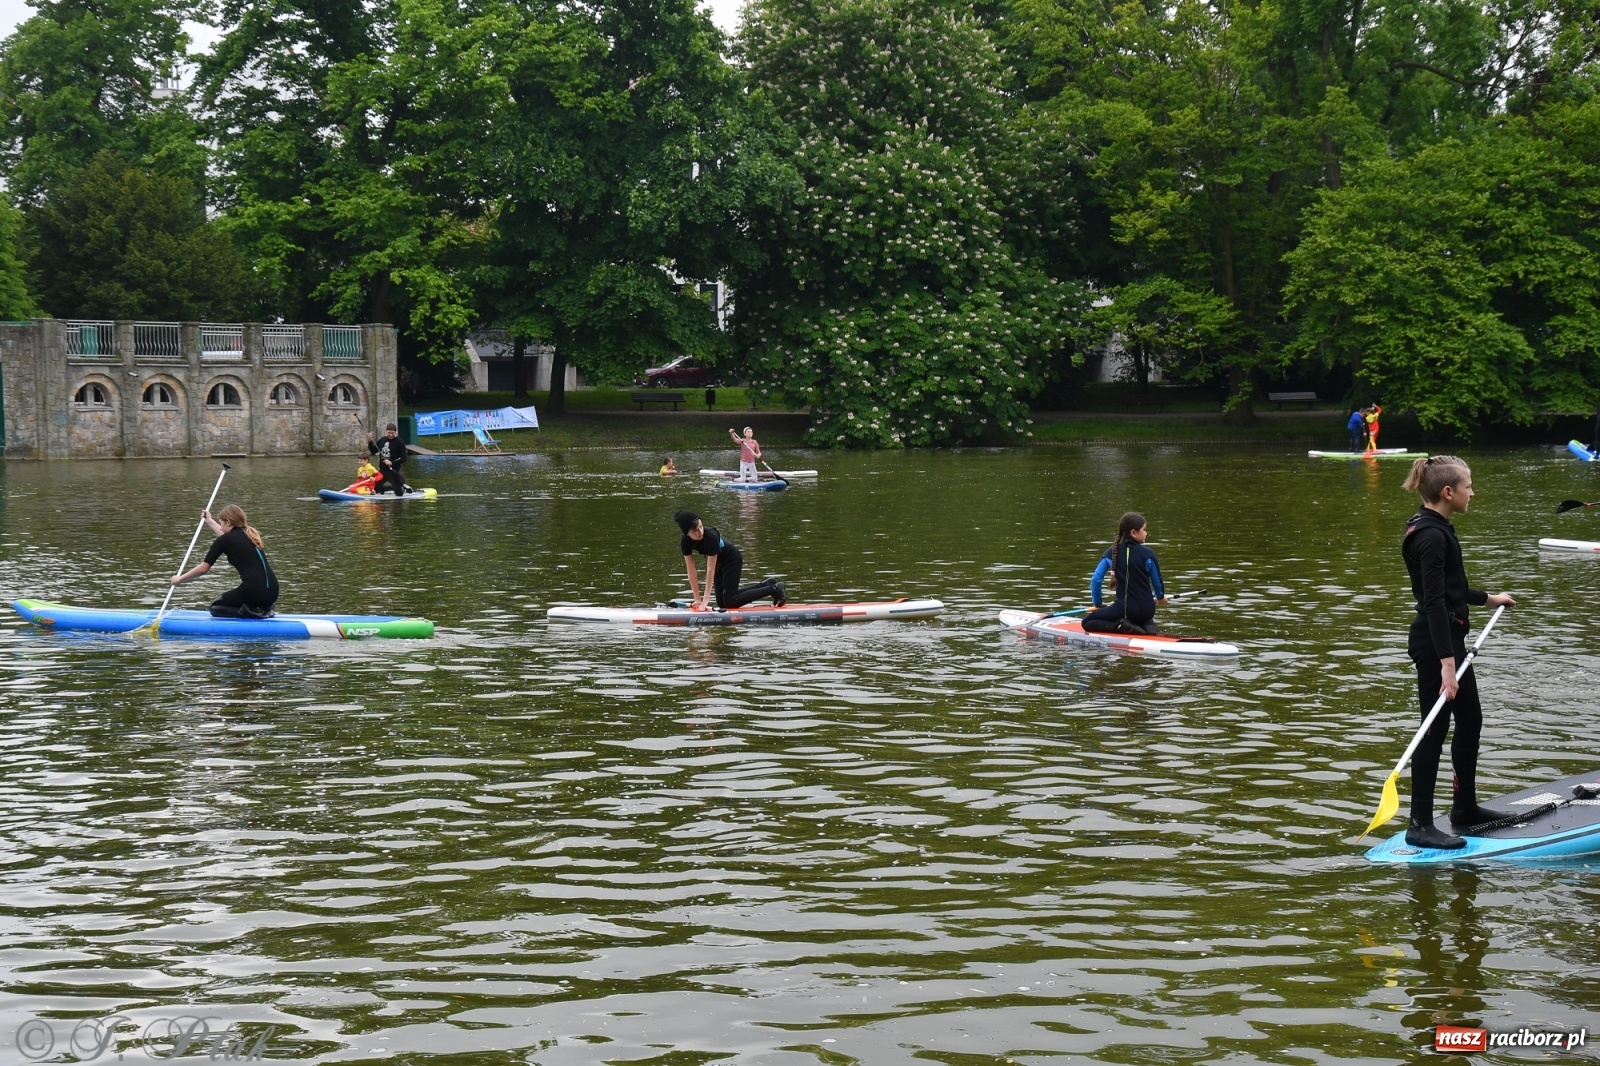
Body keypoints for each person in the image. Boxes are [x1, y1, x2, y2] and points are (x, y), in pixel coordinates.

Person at [1400, 455, 1517, 849]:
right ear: (1448, 492)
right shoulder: (1430, 535)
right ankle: (1419, 825)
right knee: (1433, 731)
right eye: (1469, 486)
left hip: (1450, 641)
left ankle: (1464, 807)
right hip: (1437, 647)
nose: (1473, 492)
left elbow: (1451, 589)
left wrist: (1490, 598)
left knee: (1471, 721)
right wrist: (1447, 665)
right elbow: (1433, 602)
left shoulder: (1436, 527)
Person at [170, 504, 279, 619]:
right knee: (240, 598)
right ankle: (264, 609)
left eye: (221, 523)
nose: (220, 527)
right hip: (272, 592)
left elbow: (203, 569)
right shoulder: (250, 535)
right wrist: (209, 520)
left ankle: (249, 612)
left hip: (253, 591)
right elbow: (227, 537)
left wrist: (179, 579)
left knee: (215, 607)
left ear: (228, 522)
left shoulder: (225, 540)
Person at [675, 509, 784, 610]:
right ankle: (767, 585)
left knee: (730, 601)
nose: (700, 532)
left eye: (701, 527)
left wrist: (705, 600)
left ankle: (774, 589)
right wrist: (697, 599)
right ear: (687, 533)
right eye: (695, 531)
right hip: (719, 563)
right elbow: (691, 571)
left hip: (732, 559)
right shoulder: (685, 542)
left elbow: (710, 570)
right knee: (722, 603)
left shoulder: (711, 537)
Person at [1083, 512, 1164, 635]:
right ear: (1133, 533)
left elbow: (1096, 579)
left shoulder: (1112, 552)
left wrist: (1098, 604)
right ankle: (1148, 626)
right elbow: (1157, 580)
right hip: (1148, 610)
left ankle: (1121, 626)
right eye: (1144, 530)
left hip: (1125, 609)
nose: (1146, 533)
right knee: (1141, 615)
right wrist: (1160, 597)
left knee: (1087, 622)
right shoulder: (1149, 553)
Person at [367, 424, 411, 495]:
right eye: (389, 433)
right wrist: (370, 442)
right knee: (374, 489)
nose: (390, 435)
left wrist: (391, 462)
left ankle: (402, 487)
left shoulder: (400, 442)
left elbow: (404, 458)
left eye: (392, 433)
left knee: (399, 494)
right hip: (382, 471)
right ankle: (390, 488)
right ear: (386, 431)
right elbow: (373, 451)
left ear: (395, 432)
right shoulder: (382, 440)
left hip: (393, 471)